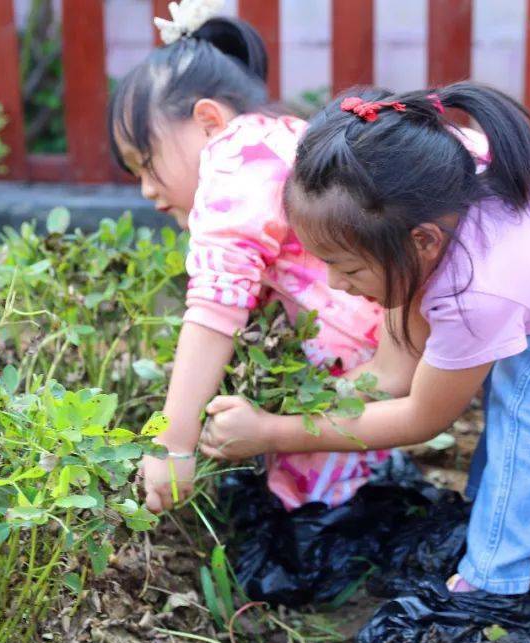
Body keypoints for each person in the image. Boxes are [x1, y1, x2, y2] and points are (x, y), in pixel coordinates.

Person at [199, 82, 530, 595]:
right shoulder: (440, 181)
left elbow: (422, 417)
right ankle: (491, 527)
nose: (334, 284)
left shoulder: (477, 286)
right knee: (522, 366)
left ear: (422, 241)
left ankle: (491, 588)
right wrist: (290, 403)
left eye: (346, 266)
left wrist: (272, 433)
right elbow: (393, 373)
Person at [108, 4, 399, 514]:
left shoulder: (238, 152)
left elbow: (214, 308)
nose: (146, 189)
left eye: (145, 162)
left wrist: (170, 444)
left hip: (365, 361)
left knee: (311, 512)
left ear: (207, 120)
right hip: (378, 352)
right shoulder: (281, 136)